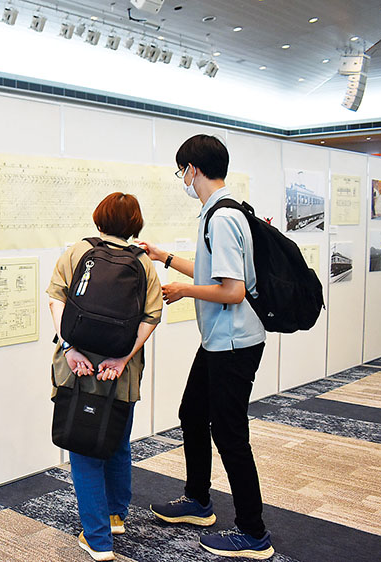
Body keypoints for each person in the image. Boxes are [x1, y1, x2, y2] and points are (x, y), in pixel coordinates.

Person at [139, 134, 274, 560]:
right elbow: (212, 269)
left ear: (192, 169)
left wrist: (184, 290)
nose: (182, 177)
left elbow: (233, 290)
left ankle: (253, 532)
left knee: (230, 434)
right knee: (192, 414)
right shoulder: (220, 210)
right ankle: (198, 501)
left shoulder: (222, 217)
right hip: (220, 340)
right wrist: (163, 256)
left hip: (234, 343)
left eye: (182, 170)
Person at [47, 192, 162, 561]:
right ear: (135, 224)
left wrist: (70, 349)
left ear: (99, 218)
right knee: (117, 442)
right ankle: (115, 516)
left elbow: (56, 300)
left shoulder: (79, 251)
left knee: (83, 451)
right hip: (120, 376)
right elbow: (152, 317)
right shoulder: (143, 264)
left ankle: (97, 540)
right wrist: (122, 358)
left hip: (77, 371)